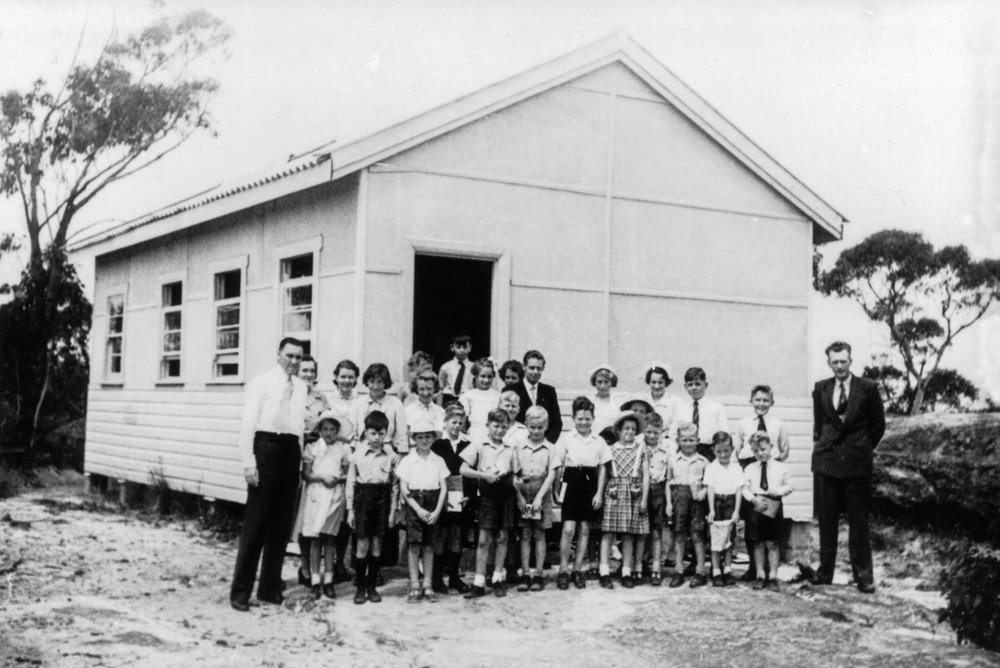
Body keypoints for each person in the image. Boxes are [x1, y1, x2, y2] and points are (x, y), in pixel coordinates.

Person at [230, 337, 307, 612]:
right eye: (290, 356)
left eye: (299, 357)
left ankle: (269, 588)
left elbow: (298, 428)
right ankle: (240, 592)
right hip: (265, 449)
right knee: (256, 525)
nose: (294, 362)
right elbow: (248, 424)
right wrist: (248, 463)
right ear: (278, 355)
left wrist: (297, 467)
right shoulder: (261, 382)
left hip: (290, 452)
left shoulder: (301, 387)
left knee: (280, 527)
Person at [812, 341, 885, 593]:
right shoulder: (821, 388)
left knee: (858, 522)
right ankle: (824, 573)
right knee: (827, 521)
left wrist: (861, 447)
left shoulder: (868, 388)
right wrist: (825, 445)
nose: (840, 366)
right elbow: (819, 424)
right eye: (835, 362)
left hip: (857, 464)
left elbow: (878, 426)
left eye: (844, 361)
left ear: (851, 361)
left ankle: (863, 576)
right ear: (829, 363)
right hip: (827, 462)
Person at [460, 408, 518, 598]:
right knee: (484, 539)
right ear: (487, 426)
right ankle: (478, 582)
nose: (500, 430)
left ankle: (497, 579)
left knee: (502, 537)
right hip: (487, 494)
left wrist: (517, 480)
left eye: (503, 427)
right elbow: (463, 469)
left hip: (506, 493)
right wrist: (484, 475)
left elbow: (516, 472)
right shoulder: (479, 445)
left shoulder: (510, 448)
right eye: (496, 426)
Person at [293, 412, 351, 599]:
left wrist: (337, 479)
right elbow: (306, 474)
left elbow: (348, 474)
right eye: (325, 429)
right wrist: (321, 477)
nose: (328, 433)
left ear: (337, 431)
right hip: (316, 495)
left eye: (332, 430)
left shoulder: (343, 449)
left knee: (330, 538)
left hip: (334, 495)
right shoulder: (312, 447)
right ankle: (316, 580)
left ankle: (329, 579)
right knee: (315, 539)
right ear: (319, 430)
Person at [735, 384, 790, 581]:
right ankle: (754, 567)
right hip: (751, 469)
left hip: (770, 470)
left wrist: (773, 468)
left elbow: (784, 450)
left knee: (771, 523)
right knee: (753, 523)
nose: (761, 404)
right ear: (751, 401)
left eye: (765, 400)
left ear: (772, 402)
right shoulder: (743, 423)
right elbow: (738, 449)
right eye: (757, 400)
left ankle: (769, 568)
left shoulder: (778, 424)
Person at [555, 397, 610, 590]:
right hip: (571, 482)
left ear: (593, 418)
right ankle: (563, 569)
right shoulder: (566, 438)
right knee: (569, 529)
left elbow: (603, 467)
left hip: (590, 484)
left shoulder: (599, 441)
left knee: (585, 529)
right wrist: (557, 490)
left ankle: (577, 569)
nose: (584, 422)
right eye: (580, 419)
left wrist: (599, 493)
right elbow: (557, 465)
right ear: (573, 418)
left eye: (587, 419)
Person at [396, 419, 450, 603]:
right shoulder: (408, 461)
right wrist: (418, 509)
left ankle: (427, 584)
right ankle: (414, 585)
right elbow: (404, 487)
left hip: (433, 503)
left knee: (429, 546)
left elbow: (444, 487)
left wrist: (436, 511)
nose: (424, 440)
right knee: (414, 545)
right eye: (420, 437)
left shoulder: (438, 460)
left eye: (428, 437)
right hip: (414, 504)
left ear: (433, 438)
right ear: (414, 439)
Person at [346, 411, 395, 604]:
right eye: (373, 433)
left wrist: (392, 511)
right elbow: (350, 483)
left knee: (376, 545)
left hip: (382, 500)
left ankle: (372, 585)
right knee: (362, 544)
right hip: (363, 501)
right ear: (365, 432)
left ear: (386, 433)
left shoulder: (391, 456)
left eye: (381, 433)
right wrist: (350, 510)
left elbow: (395, 486)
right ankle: (360, 587)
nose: (377, 438)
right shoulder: (357, 456)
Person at [598, 412, 650, 590]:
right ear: (619, 430)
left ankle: (626, 571)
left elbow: (646, 477)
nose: (630, 432)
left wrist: (644, 499)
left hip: (633, 493)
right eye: (626, 428)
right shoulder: (610, 449)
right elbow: (604, 473)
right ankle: (604, 571)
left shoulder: (641, 450)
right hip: (613, 492)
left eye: (633, 429)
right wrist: (599, 493)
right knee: (608, 533)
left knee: (628, 535)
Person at [513, 406, 560, 592]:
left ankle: (539, 573)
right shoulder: (518, 447)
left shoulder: (551, 448)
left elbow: (551, 475)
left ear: (546, 426)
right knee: (524, 535)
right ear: (526, 425)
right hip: (524, 495)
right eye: (532, 427)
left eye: (540, 427)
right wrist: (519, 497)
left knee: (540, 535)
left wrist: (540, 497)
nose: (535, 431)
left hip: (542, 494)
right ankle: (525, 572)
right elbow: (515, 475)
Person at [295, 354, 330, 586]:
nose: (307, 375)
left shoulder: (321, 399)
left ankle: (316, 568)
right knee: (299, 518)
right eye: (303, 370)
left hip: (316, 459)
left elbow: (328, 424)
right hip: (296, 458)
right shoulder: (291, 395)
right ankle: (305, 567)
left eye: (311, 371)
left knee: (314, 515)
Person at [430, 404, 474, 594]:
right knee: (440, 537)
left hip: (460, 498)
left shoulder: (468, 445)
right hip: (441, 497)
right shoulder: (437, 445)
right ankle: (437, 578)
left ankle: (455, 578)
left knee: (456, 537)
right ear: (445, 423)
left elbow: (471, 472)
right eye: (453, 422)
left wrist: (469, 495)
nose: (457, 426)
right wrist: (441, 496)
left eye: (460, 423)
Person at [743, 432, 793, 592]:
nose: (760, 453)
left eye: (763, 449)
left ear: (771, 447)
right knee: (758, 542)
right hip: (757, 506)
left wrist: (778, 490)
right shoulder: (750, 468)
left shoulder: (780, 468)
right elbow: (744, 488)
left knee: (772, 543)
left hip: (774, 505)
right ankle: (760, 575)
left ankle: (772, 576)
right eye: (755, 451)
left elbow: (790, 486)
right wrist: (753, 499)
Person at [667, 422, 709, 588]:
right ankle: (678, 570)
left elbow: (708, 483)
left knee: (698, 534)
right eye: (684, 440)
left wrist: (704, 491)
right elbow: (668, 482)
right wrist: (669, 503)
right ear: (678, 441)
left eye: (691, 440)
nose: (688, 443)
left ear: (698, 440)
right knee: (679, 534)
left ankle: (700, 571)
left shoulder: (704, 461)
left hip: (697, 501)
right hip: (679, 498)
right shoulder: (673, 460)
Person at [704, 431, 743, 587]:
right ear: (713, 450)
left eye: (726, 451)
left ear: (732, 449)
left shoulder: (736, 468)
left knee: (728, 540)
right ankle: (715, 571)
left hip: (730, 504)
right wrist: (711, 510)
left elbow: (739, 490)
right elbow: (710, 489)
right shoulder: (711, 467)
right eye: (719, 451)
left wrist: (736, 511)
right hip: (717, 505)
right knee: (716, 540)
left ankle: (727, 570)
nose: (723, 454)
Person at [638, 411, 671, 586]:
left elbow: (667, 479)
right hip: (640, 493)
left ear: (662, 432)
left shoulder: (666, 451)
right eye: (648, 431)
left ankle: (656, 566)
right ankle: (639, 563)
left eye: (655, 432)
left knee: (657, 531)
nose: (651, 436)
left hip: (658, 493)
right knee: (641, 532)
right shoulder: (638, 447)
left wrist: (667, 503)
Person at [503, 350, 563, 444]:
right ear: (524, 367)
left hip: (543, 445)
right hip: (517, 444)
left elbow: (556, 423)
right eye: (532, 368)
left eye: (539, 368)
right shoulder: (511, 390)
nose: (535, 372)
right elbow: (504, 419)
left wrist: (545, 444)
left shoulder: (549, 391)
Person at [673, 367, 729, 462]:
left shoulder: (716, 408)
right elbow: (673, 435)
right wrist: (673, 454)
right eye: (690, 385)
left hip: (709, 451)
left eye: (698, 384)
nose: (694, 387)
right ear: (685, 387)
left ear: (705, 385)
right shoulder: (681, 409)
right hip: (685, 450)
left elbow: (724, 434)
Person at [362, 362, 408, 454]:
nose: (375, 386)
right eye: (372, 381)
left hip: (387, 452)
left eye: (379, 382)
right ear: (367, 381)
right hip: (363, 452)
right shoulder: (359, 403)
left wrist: (401, 455)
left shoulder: (395, 403)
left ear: (385, 382)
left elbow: (401, 434)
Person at [460, 357, 501, 443]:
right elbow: (463, 419)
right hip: (474, 434)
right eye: (482, 376)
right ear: (476, 376)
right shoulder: (468, 395)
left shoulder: (497, 396)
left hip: (492, 434)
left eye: (489, 377)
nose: (486, 380)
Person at [329, 360, 365, 445]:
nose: (347, 381)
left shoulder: (360, 402)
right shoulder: (329, 400)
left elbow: (361, 431)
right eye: (343, 377)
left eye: (351, 377)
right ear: (336, 377)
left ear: (356, 378)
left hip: (353, 447)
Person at [404, 369, 446, 438]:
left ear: (434, 389)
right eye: (422, 389)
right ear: (416, 389)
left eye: (429, 389)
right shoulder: (408, 411)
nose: (426, 393)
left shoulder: (441, 412)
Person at [588, 365, 628, 435]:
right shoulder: (589, 401)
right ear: (595, 382)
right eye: (599, 382)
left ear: (611, 382)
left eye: (606, 382)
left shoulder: (617, 401)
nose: (603, 386)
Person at [637, 363, 678, 432]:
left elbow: (675, 426)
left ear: (666, 383)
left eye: (660, 382)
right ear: (648, 382)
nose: (657, 386)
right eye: (653, 382)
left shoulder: (675, 401)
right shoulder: (641, 400)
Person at [299, 355, 331, 437]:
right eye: (305, 370)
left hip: (315, 445)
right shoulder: (288, 397)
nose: (309, 375)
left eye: (312, 371)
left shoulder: (322, 398)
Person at [439, 334, 474, 406]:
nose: (461, 350)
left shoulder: (474, 367)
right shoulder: (446, 367)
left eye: (465, 347)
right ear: (452, 347)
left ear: (470, 348)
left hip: (468, 399)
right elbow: (441, 386)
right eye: (458, 347)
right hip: (449, 399)